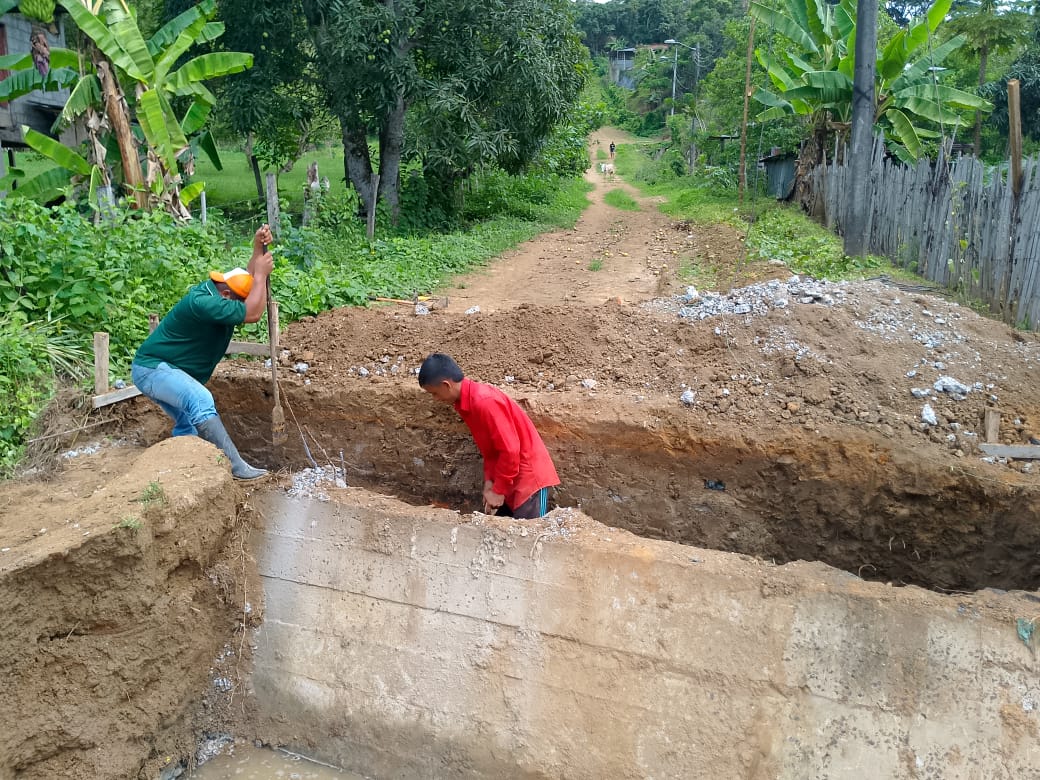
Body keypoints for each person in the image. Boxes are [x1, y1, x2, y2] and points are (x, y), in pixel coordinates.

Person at [130, 225, 275, 480]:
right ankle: (236, 467)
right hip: (153, 369)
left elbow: (249, 280)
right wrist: (262, 277)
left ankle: (184, 473)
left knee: (189, 425)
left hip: (168, 369)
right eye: (239, 301)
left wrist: (257, 249)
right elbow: (252, 312)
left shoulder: (219, 291)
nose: (240, 307)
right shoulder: (204, 303)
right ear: (226, 295)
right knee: (200, 401)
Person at [418, 353, 560, 518]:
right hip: (511, 478)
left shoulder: (485, 402)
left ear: (446, 385)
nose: (435, 399)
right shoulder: (466, 404)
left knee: (530, 532)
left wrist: (498, 491)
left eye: (434, 393)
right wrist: (489, 483)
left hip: (530, 481)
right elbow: (491, 450)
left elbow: (510, 450)